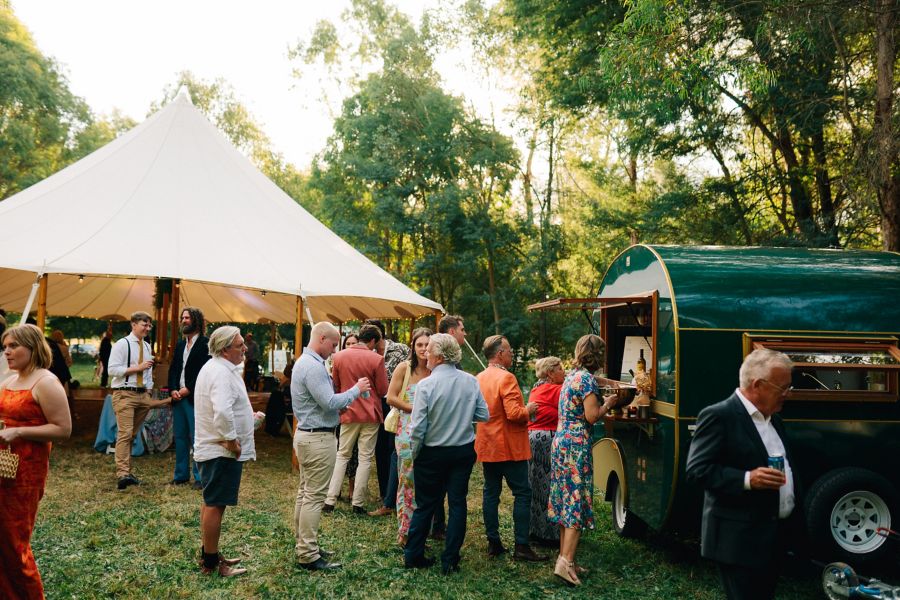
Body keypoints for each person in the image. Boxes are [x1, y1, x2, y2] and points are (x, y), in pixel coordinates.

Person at [685, 348, 800, 600]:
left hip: (771, 537)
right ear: (758, 384)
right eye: (783, 388)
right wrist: (748, 479)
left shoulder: (774, 419)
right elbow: (697, 471)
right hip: (738, 541)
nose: (787, 395)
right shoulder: (719, 416)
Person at [403, 333, 489, 575]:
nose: (425, 354)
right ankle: (450, 559)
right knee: (458, 503)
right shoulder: (470, 381)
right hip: (461, 451)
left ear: (439, 356)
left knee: (425, 504)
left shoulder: (426, 385)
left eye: (428, 349)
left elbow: (418, 427)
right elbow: (484, 415)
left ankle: (413, 555)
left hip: (431, 452)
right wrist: (461, 416)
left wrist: (415, 452)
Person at [291, 322, 371, 571]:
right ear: (322, 338)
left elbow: (323, 403)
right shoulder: (312, 366)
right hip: (318, 439)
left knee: (305, 493)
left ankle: (304, 544)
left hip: (307, 433)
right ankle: (308, 553)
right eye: (334, 344)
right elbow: (328, 401)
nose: (335, 350)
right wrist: (356, 390)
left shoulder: (304, 362)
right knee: (314, 497)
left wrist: (339, 407)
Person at [0, 324, 72, 598]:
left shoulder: (46, 382)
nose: (7, 351)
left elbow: (63, 429)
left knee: (14, 541)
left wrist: (20, 431)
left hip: (24, 474)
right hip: (2, 466)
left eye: (14, 346)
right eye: (5, 346)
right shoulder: (9, 380)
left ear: (33, 348)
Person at [548, 334, 617, 586]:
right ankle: (565, 563)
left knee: (566, 499)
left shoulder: (571, 377)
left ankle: (567, 559)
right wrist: (608, 403)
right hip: (576, 445)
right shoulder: (587, 381)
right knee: (576, 500)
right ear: (598, 355)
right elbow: (591, 416)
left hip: (561, 441)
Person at [475, 335, 546, 562]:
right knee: (523, 493)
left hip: (488, 445)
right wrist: (530, 409)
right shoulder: (506, 378)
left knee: (490, 492)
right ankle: (522, 546)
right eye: (509, 351)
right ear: (499, 354)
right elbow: (515, 414)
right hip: (508, 447)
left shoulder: (479, 378)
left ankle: (493, 542)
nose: (512, 354)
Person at [193, 326, 256, 578]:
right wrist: (231, 441)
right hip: (219, 450)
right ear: (224, 349)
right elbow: (221, 411)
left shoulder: (218, 368)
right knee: (215, 505)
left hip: (215, 447)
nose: (245, 348)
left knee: (212, 503)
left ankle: (210, 552)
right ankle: (211, 563)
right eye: (240, 345)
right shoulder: (220, 372)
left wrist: (249, 419)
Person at [324, 324, 389, 513]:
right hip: (370, 413)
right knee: (365, 457)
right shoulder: (377, 359)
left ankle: (330, 500)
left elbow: (335, 384)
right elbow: (383, 390)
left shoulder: (339, 356)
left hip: (348, 411)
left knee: (342, 454)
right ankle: (357, 503)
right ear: (373, 341)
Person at [107, 311, 163, 490]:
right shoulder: (121, 344)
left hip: (141, 395)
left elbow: (148, 372)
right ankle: (123, 474)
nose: (147, 328)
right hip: (124, 394)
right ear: (133, 325)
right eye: (144, 325)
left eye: (149, 325)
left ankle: (127, 471)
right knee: (125, 433)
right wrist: (136, 368)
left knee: (131, 435)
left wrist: (148, 389)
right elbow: (112, 370)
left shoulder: (146, 346)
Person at [388, 327, 432, 547]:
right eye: (419, 345)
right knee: (407, 481)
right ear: (413, 347)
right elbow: (390, 397)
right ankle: (404, 531)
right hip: (406, 432)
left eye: (427, 344)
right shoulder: (404, 368)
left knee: (426, 482)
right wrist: (413, 408)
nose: (424, 349)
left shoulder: (436, 370)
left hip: (432, 434)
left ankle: (423, 530)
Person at [364, 318, 409, 518]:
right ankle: (385, 493)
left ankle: (396, 493)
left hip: (396, 402)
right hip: (377, 403)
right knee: (380, 448)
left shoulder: (400, 349)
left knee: (394, 448)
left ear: (378, 336)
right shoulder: (367, 352)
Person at [428, 313, 468, 538]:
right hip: (443, 436)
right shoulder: (441, 358)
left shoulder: (453, 359)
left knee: (444, 488)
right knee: (443, 489)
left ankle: (440, 526)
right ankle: (439, 527)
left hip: (445, 436)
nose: (465, 334)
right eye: (462, 330)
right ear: (452, 332)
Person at [167, 307, 211, 488]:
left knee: (196, 438)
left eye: (187, 318)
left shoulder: (206, 344)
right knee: (180, 437)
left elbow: (205, 372)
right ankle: (181, 475)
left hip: (195, 397)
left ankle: (200, 477)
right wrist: (172, 390)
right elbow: (173, 370)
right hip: (178, 398)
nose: (184, 320)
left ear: (197, 321)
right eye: (182, 317)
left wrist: (188, 389)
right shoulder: (179, 345)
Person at [527, 356, 565, 545]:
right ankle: (549, 535)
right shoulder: (556, 390)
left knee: (535, 484)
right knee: (550, 486)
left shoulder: (537, 387)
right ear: (550, 373)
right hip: (547, 440)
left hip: (533, 438)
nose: (564, 372)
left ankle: (534, 529)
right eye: (561, 369)